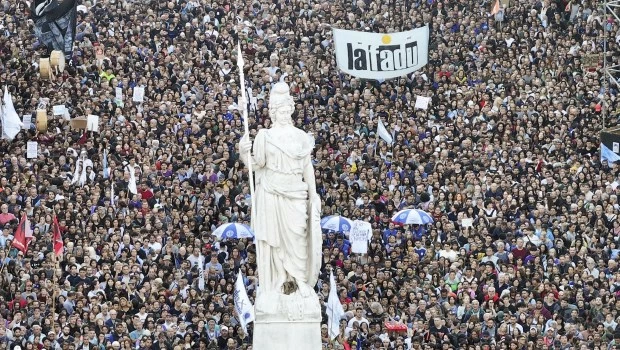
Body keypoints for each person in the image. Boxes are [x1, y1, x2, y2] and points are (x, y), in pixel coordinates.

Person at [239, 82, 321, 297]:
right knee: (275, 241)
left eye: (287, 110)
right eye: (280, 111)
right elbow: (256, 165)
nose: (284, 114)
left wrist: (314, 194)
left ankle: (299, 279)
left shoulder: (301, 136)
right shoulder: (265, 136)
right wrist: (243, 152)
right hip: (272, 191)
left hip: (295, 191)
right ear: (273, 112)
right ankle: (280, 281)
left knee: (297, 237)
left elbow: (307, 167)